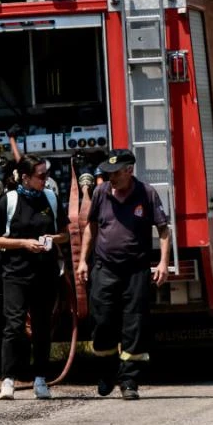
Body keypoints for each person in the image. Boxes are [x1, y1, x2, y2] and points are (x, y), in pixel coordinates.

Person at [74, 149, 170, 400]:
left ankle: (129, 381)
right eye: (107, 173)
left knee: (134, 326)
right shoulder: (101, 193)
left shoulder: (146, 193)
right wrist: (83, 260)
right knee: (102, 322)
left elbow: (163, 229)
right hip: (104, 269)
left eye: (115, 173)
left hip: (135, 271)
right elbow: (91, 228)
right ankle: (107, 373)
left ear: (129, 170)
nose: (110, 178)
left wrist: (162, 263)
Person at [0, 154, 70, 400]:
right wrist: (24, 243)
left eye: (46, 174)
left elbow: (64, 234)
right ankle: (8, 379)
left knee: (42, 327)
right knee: (14, 326)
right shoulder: (9, 201)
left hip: (44, 273)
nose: (46, 179)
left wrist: (50, 240)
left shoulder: (52, 198)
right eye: (41, 175)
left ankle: (40, 379)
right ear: (24, 177)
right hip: (15, 273)